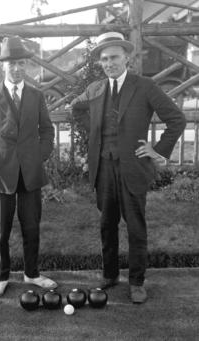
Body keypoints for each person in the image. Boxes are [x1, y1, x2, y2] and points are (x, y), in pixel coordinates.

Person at [71, 32, 186, 303]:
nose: (109, 63)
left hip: (133, 168)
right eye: (104, 59)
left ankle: (136, 282)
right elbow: (76, 109)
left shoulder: (144, 86)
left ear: (126, 58)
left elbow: (176, 119)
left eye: (114, 57)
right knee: (107, 225)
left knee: (135, 227)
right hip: (104, 170)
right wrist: (95, 134)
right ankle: (110, 275)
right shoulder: (96, 89)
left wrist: (157, 150)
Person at [0, 36, 57, 297]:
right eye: (11, 64)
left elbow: (48, 131)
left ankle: (32, 274)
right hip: (1, 175)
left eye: (21, 63)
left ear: (26, 65)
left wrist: (40, 155)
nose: (17, 68)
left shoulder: (36, 96)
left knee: (31, 227)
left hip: (30, 174)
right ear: (2, 66)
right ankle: (1, 276)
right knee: (0, 229)